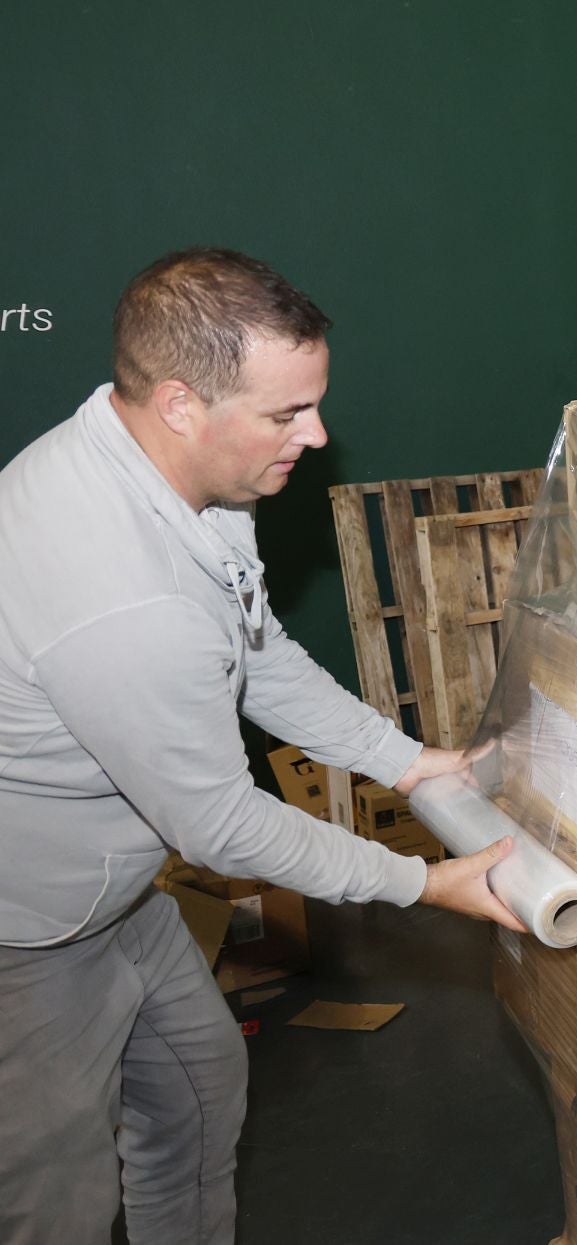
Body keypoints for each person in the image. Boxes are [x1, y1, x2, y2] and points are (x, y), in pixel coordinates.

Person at [0, 248, 526, 1244]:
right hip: (25, 933)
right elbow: (223, 825)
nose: (318, 435)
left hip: (110, 891)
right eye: (287, 414)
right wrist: (426, 886)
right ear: (181, 403)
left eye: (314, 404)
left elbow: (256, 652)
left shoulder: (172, 472)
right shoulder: (123, 595)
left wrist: (408, 763)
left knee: (198, 1086)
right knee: (51, 1202)